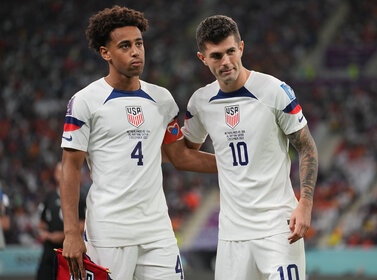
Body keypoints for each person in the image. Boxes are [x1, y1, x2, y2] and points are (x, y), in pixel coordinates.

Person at [59, 6, 217, 280]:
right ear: (105, 52)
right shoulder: (85, 101)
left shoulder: (162, 99)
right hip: (109, 232)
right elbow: (70, 168)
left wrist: (236, 163)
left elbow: (179, 156)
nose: (136, 51)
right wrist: (71, 233)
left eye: (139, 43)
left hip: (157, 230)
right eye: (125, 46)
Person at [182, 15, 318, 280]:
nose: (226, 62)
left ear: (241, 48)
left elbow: (307, 147)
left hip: (279, 227)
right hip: (232, 235)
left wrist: (306, 204)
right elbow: (185, 152)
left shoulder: (274, 91)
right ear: (202, 58)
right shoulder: (200, 102)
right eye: (216, 55)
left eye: (231, 52)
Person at [36, 162, 86, 280]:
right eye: (59, 172)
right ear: (55, 175)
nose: (62, 175)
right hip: (49, 251)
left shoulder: (80, 197)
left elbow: (85, 224)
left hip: (71, 250)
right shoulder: (49, 197)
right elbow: (41, 224)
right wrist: (48, 236)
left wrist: (66, 235)